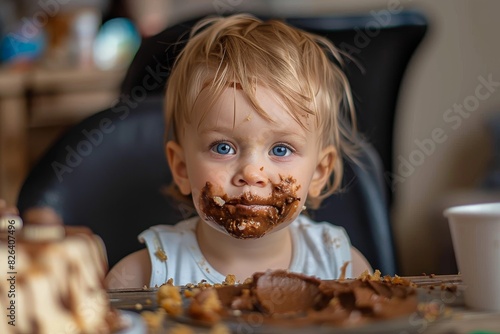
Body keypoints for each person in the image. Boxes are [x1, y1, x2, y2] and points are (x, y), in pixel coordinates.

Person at [105, 13, 371, 289]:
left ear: (319, 171)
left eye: (280, 149)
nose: (251, 173)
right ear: (181, 167)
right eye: (223, 147)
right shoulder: (144, 276)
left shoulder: (343, 269)